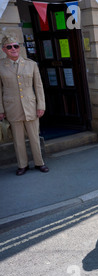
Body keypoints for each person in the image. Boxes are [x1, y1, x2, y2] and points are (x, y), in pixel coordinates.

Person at [0, 35, 49, 176]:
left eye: (16, 46)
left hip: (30, 106)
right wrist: (1, 110)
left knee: (34, 137)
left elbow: (38, 87)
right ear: (4, 49)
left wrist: (41, 106)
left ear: (19, 47)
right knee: (18, 139)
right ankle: (23, 165)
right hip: (12, 107)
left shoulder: (31, 64)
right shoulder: (1, 66)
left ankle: (40, 163)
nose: (13, 49)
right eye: (9, 47)